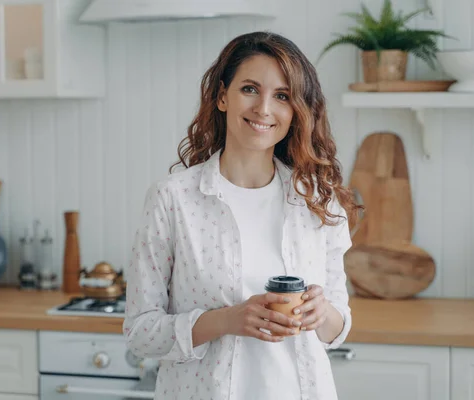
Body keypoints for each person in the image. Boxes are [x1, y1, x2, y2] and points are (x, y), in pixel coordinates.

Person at [123, 30, 358, 400]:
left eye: (282, 96)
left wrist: (321, 312)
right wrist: (227, 320)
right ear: (221, 97)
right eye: (250, 89)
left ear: (296, 110)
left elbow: (336, 329)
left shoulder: (317, 201)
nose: (264, 109)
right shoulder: (173, 199)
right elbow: (140, 332)